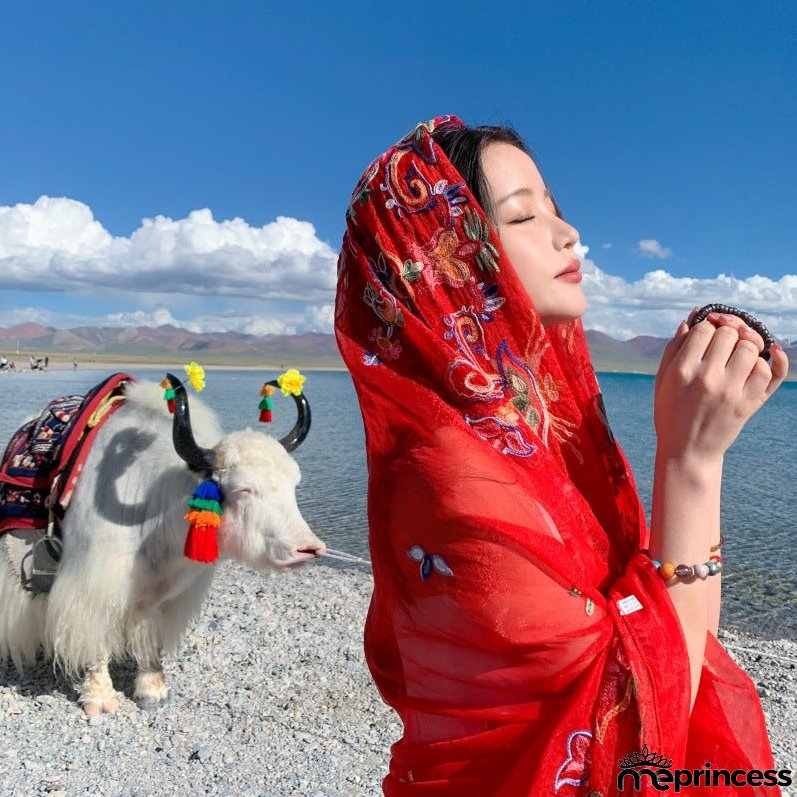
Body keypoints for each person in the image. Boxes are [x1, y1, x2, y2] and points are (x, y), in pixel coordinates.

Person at [334, 115, 790, 796]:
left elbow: (669, 638)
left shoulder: (535, 441)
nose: (567, 233)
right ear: (441, 263)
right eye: (522, 217)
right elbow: (636, 727)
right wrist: (691, 461)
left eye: (555, 210)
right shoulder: (454, 482)